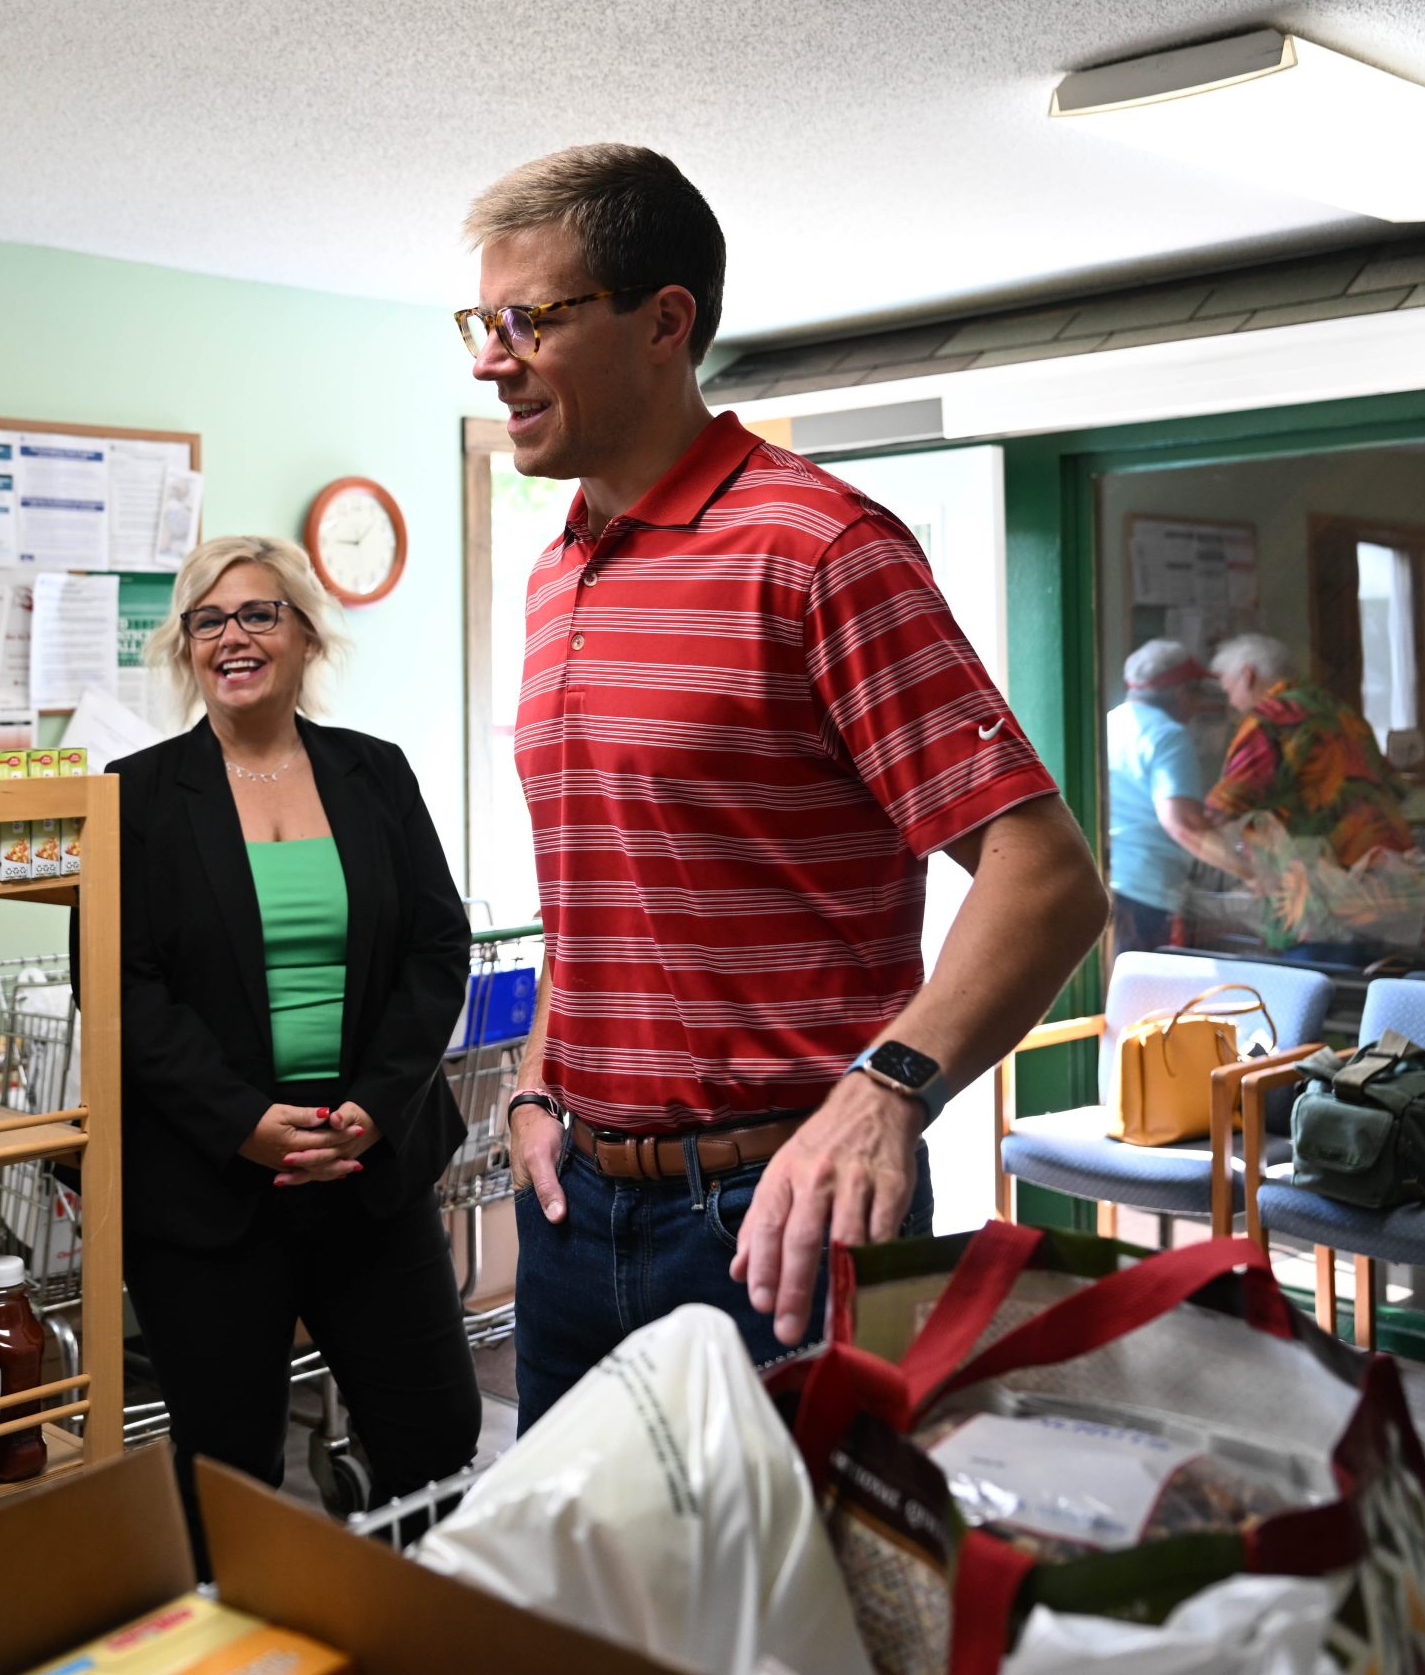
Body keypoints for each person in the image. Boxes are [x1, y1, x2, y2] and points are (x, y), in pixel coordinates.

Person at [461, 142, 1110, 1424]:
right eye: (483, 323)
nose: (492, 357)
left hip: (772, 1219)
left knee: (792, 1616)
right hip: (571, 1211)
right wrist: (537, 1084)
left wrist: (888, 1089)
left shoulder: (819, 548)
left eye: (531, 317)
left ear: (665, 322)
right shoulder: (557, 571)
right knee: (576, 1612)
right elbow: (601, 887)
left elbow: (1045, 880)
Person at [110, 534, 481, 1551]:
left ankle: (410, 1628)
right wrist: (245, 1125)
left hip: (368, 1168)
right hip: (211, 1188)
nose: (233, 636)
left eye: (259, 613)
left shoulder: (374, 772)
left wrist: (375, 1102)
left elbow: (435, 944)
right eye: (208, 619)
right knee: (228, 1469)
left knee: (438, 1430)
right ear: (185, 649)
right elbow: (126, 986)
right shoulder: (134, 796)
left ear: (305, 635)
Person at [1206, 632, 1417, 960]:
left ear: (1248, 675)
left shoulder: (1270, 721)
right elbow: (1393, 790)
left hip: (1322, 898)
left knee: (1314, 995)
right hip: (1386, 891)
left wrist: (1241, 865)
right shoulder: (1342, 712)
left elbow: (1222, 809)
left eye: (1228, 688)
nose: (1231, 702)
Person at [1103, 638, 1246, 956]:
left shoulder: (1112, 722)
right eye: (1197, 693)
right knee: (1147, 1000)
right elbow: (1182, 824)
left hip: (1112, 881)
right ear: (1183, 693)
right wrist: (1252, 874)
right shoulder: (1168, 735)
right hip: (1147, 892)